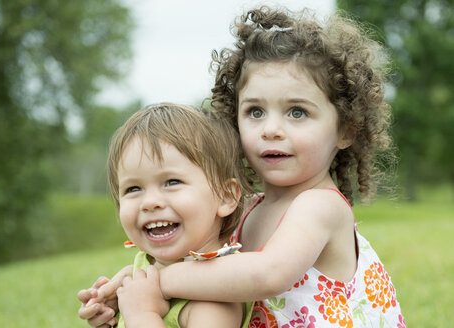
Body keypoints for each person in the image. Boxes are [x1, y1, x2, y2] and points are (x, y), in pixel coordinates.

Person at [79, 6, 405, 327]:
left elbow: (268, 274)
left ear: (346, 129)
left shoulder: (321, 206)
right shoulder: (247, 208)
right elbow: (206, 265)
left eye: (297, 112)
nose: (271, 129)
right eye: (255, 112)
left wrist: (157, 284)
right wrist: (126, 286)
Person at [79, 103, 253, 327]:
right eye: (133, 189)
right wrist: (116, 313)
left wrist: (140, 314)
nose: (150, 202)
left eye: (172, 182)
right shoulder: (149, 265)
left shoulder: (215, 299)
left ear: (225, 197)